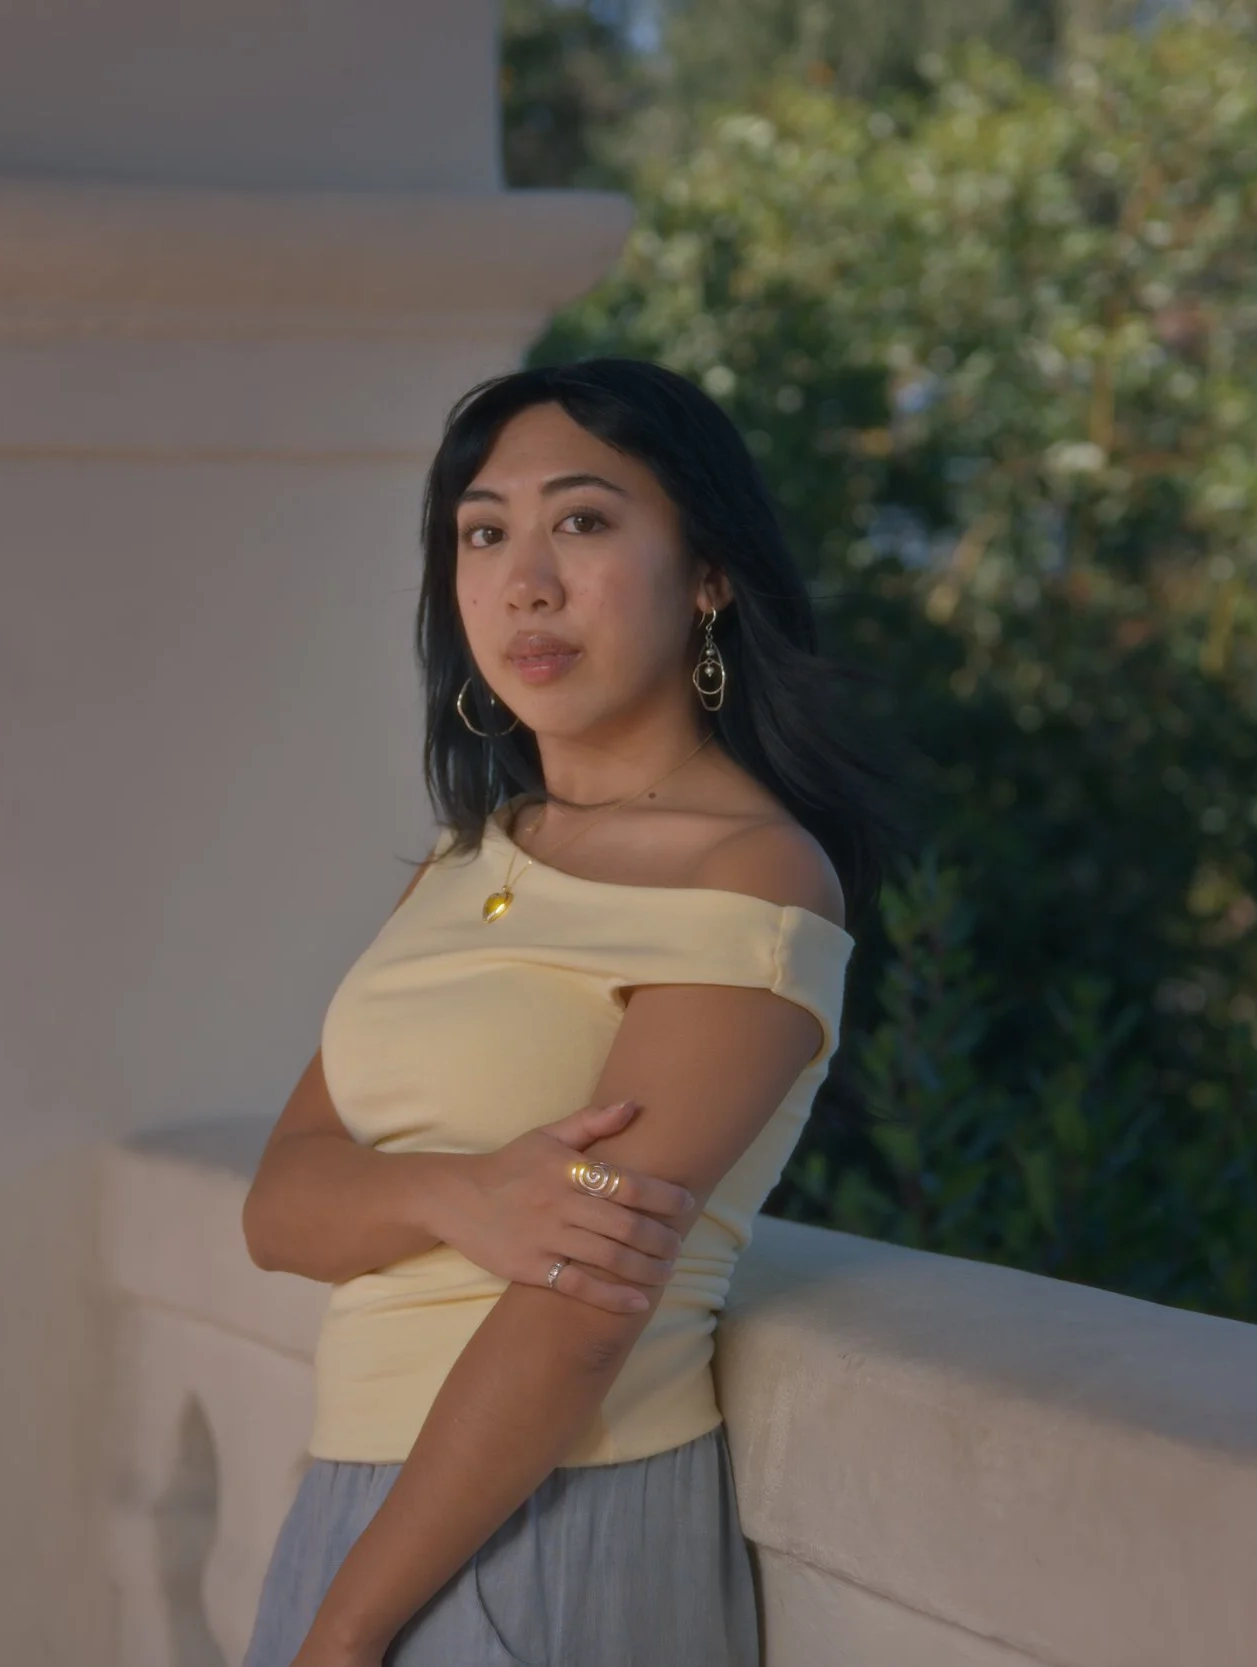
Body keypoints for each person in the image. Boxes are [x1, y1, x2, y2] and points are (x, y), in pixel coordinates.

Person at [238, 357, 897, 1667]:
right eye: (484, 532)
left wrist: (347, 1631)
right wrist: (457, 1192)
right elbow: (278, 1205)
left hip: (543, 1520)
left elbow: (581, 1311)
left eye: (583, 521)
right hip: (362, 1511)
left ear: (708, 572)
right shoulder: (467, 861)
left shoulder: (751, 873)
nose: (524, 579)